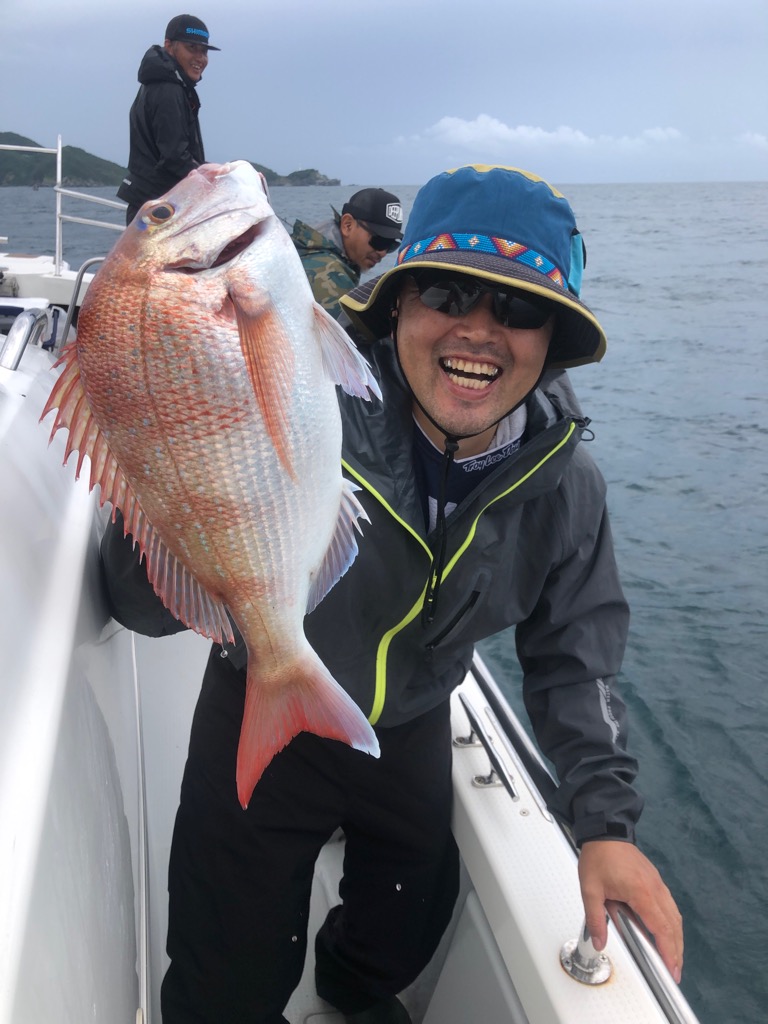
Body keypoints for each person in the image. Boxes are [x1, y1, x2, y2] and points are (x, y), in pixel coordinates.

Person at [100, 164, 684, 1024]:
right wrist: (165, 445)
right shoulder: (309, 386)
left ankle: (346, 988)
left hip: (410, 722)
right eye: (446, 293)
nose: (478, 330)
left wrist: (606, 825)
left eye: (519, 309)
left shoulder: (566, 486)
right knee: (222, 980)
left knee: (403, 929)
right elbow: (140, 606)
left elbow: (576, 657)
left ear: (554, 337)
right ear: (398, 303)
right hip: (257, 697)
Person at [117, 15, 219, 225]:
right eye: (192, 48)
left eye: (204, 51)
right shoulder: (169, 89)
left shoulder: (161, 82)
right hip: (160, 211)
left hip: (153, 203)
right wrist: (215, 186)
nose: (200, 58)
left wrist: (211, 171)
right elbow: (175, 158)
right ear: (169, 46)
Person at [291, 188, 403, 319]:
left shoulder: (305, 251)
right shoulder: (330, 274)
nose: (383, 253)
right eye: (379, 241)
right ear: (347, 225)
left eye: (390, 245)